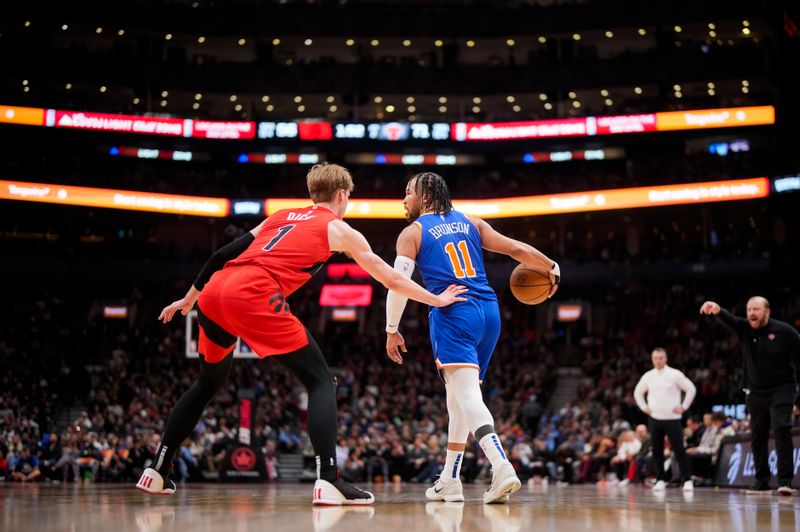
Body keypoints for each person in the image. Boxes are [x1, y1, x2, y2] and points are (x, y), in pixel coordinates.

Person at [136, 163, 467, 505]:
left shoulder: (280, 215)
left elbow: (223, 254)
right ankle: (328, 479)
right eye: (349, 197)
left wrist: (189, 298)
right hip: (253, 293)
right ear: (342, 195)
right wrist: (436, 298)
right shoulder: (338, 228)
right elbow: (389, 277)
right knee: (321, 380)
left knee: (207, 383)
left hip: (214, 294)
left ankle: (158, 469)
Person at [383, 171, 560, 504]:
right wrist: (551, 266)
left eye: (407, 192)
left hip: (454, 312)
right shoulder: (473, 223)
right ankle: (450, 478)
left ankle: (501, 465)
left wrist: (392, 329)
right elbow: (517, 249)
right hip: (489, 312)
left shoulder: (413, 233)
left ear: (423, 196)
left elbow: (396, 282)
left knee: (466, 396)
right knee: (459, 399)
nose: (403, 199)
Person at [700, 297, 800, 495]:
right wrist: (718, 310)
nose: (752, 313)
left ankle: (785, 481)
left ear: (767, 312)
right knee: (758, 435)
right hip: (755, 392)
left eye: (756, 309)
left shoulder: (784, 331)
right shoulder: (745, 329)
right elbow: (731, 320)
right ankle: (761, 481)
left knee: (781, 428)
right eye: (749, 309)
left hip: (782, 389)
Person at [633, 347, 696, 492]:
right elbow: (637, 392)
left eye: (661, 358)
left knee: (679, 449)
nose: (658, 360)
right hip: (655, 418)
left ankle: (687, 480)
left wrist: (684, 406)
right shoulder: (648, 376)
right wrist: (644, 407)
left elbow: (691, 388)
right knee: (657, 450)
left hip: (673, 418)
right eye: (655, 358)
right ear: (652, 359)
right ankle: (660, 479)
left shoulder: (675, 374)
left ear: (666, 358)